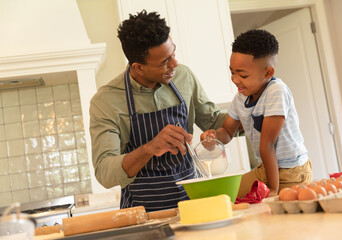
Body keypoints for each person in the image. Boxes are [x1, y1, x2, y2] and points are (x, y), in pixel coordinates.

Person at [89, 10, 226, 211]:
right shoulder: (106, 101)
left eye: (173, 53)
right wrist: (150, 148)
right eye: (164, 62)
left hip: (194, 204)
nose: (175, 64)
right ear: (138, 68)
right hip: (144, 214)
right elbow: (104, 172)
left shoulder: (183, 76)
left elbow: (214, 122)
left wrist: (251, 102)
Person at [201, 29, 313, 197]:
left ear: (268, 73)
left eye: (243, 75)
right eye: (232, 72)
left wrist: (273, 190)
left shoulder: (276, 92)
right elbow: (227, 132)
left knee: (283, 213)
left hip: (292, 171)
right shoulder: (240, 98)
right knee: (227, 196)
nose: (235, 79)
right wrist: (213, 137)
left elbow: (267, 144)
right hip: (266, 169)